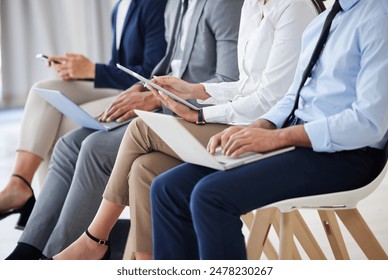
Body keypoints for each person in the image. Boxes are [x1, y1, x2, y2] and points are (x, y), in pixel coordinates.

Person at [52, 0, 324, 260]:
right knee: (145, 168)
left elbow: (271, 100)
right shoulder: (253, 4)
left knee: (142, 128)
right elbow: (245, 86)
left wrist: (201, 114)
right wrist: (196, 90)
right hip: (243, 117)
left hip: (269, 129)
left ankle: (94, 240)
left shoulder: (294, 7)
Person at [150, 0, 388, 259]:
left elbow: (369, 122)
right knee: (168, 189)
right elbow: (291, 97)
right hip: (297, 140)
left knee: (210, 196)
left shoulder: (380, 17)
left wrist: (277, 137)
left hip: (348, 154)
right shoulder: (325, 22)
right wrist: (256, 129)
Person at [5, 0, 243, 260]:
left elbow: (230, 82)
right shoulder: (176, 4)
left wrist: (155, 98)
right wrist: (142, 89)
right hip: (164, 105)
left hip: (199, 115)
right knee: (68, 144)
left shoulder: (223, 4)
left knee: (95, 148)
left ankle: (55, 258)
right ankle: (29, 249)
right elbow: (166, 68)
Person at [0, 0, 168, 230]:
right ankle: (19, 184)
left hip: (141, 92)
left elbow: (151, 74)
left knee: (64, 123)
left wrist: (92, 71)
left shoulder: (154, 5)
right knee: (43, 91)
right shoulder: (119, 7)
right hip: (119, 85)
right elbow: (117, 65)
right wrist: (79, 70)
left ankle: (53, 221)